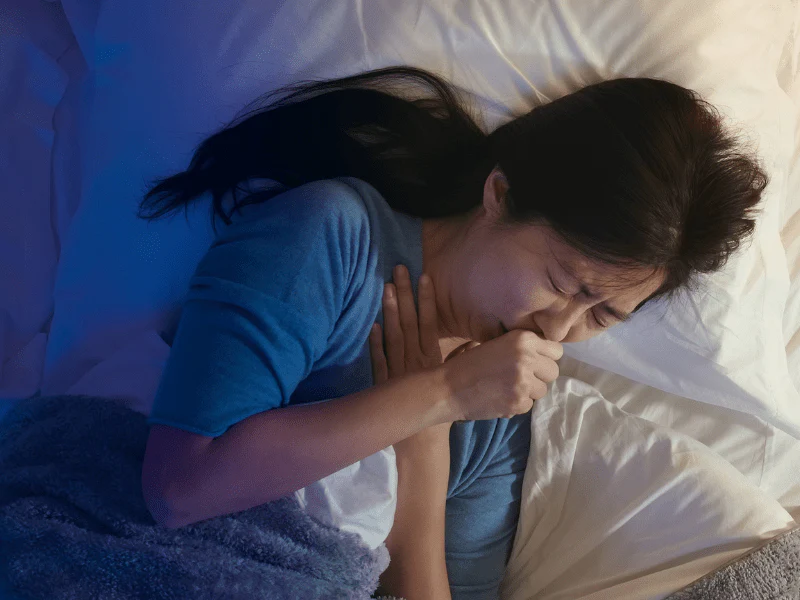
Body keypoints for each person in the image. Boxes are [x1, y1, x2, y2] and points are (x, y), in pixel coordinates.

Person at [137, 66, 766, 599]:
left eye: (601, 316)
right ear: (499, 193)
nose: (558, 330)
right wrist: (438, 396)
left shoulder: (500, 408)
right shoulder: (333, 240)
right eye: (564, 283)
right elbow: (179, 489)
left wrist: (427, 446)